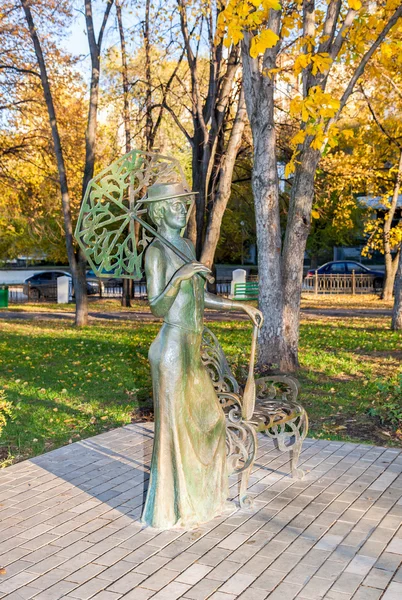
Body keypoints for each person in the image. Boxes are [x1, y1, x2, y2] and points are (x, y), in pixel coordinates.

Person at [141, 181, 263, 529]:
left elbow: (201, 297)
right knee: (175, 433)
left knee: (211, 421)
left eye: (185, 205)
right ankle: (173, 509)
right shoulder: (157, 253)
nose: (185, 211)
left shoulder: (184, 245)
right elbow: (157, 307)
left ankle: (200, 498)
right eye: (178, 206)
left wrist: (239, 305)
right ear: (161, 211)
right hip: (171, 350)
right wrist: (179, 276)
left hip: (191, 350)